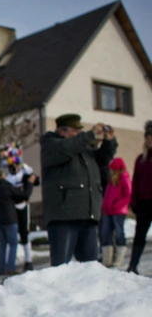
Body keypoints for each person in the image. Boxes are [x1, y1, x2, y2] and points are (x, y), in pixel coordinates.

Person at [40, 114, 117, 266]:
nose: (79, 135)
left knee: (90, 270)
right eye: (75, 131)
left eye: (79, 131)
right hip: (63, 216)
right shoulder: (51, 145)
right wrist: (89, 136)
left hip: (87, 215)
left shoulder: (84, 149)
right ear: (62, 131)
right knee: (60, 269)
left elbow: (103, 159)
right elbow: (66, 148)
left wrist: (109, 141)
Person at [1, 142, 40, 271]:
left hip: (23, 206)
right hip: (12, 209)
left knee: (24, 233)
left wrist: (32, 176)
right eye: (10, 167)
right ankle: (10, 263)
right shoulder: (7, 179)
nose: (12, 169)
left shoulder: (24, 175)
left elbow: (36, 182)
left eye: (14, 166)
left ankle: (28, 260)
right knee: (12, 236)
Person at [0, 170, 33, 276]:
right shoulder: (8, 187)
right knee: (13, 243)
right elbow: (24, 195)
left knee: (2, 244)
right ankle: (11, 268)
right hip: (9, 219)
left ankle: (1, 269)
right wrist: (29, 184)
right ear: (4, 177)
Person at [128, 120, 152, 274]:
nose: (149, 139)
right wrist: (134, 201)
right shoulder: (141, 159)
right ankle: (132, 266)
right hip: (144, 203)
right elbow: (135, 181)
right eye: (147, 136)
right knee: (139, 236)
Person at [100, 158, 131, 268]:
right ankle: (107, 258)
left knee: (119, 233)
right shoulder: (111, 180)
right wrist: (105, 206)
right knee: (105, 233)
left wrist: (117, 205)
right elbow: (108, 196)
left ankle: (119, 258)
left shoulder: (124, 178)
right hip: (108, 211)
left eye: (112, 169)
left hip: (118, 211)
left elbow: (128, 195)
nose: (111, 171)